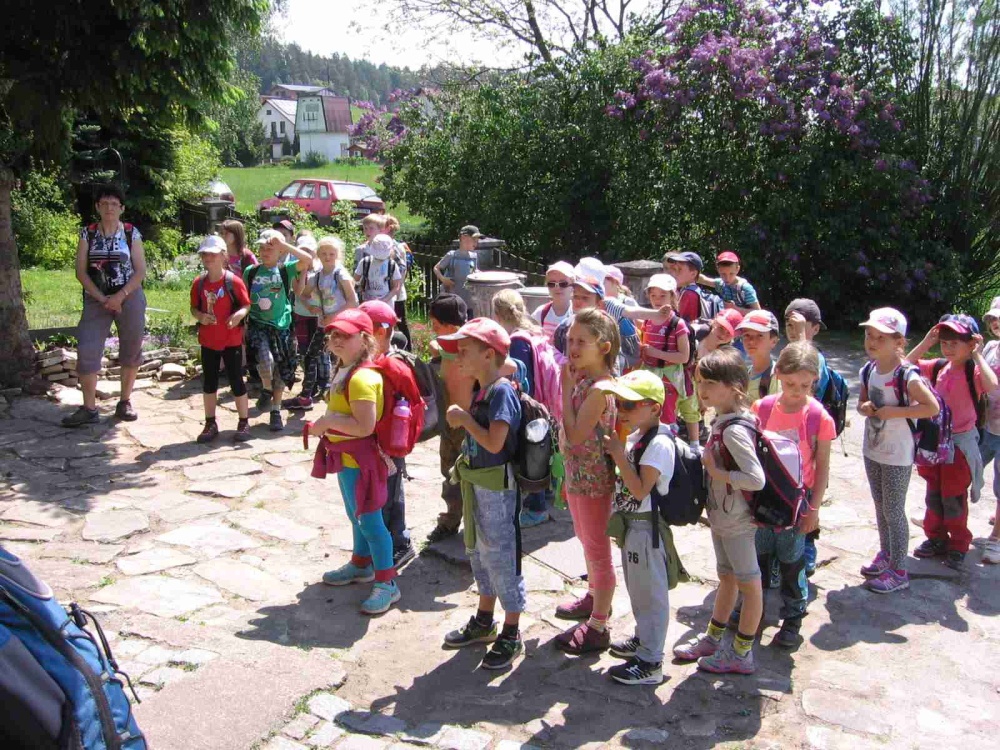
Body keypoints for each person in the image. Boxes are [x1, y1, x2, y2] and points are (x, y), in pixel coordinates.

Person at [438, 318, 525, 670]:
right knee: (479, 552)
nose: (458, 357)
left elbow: (494, 442)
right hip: (478, 484)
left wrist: (464, 420)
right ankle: (485, 619)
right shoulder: (483, 389)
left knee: (501, 555)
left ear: (488, 355)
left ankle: (511, 631)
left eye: (464, 351)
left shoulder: (501, 391)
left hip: (498, 489)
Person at [674, 347, 765, 674]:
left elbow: (756, 479)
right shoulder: (723, 420)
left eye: (710, 383)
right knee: (726, 577)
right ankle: (713, 639)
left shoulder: (735, 429)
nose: (702, 389)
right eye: (700, 382)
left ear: (735, 387)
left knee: (749, 585)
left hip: (738, 522)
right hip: (722, 518)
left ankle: (741, 654)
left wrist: (718, 473)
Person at [310, 308, 400, 615]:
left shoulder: (361, 378)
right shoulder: (345, 369)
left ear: (364, 339)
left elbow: (364, 426)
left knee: (371, 522)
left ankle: (388, 584)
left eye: (345, 336)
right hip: (347, 459)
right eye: (334, 334)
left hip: (361, 462)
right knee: (356, 516)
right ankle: (361, 565)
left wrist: (327, 422)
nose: (336, 340)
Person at [600, 370, 683, 686]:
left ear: (654, 408)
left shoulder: (659, 444)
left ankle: (651, 662)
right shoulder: (639, 436)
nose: (622, 410)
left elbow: (639, 490)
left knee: (651, 594)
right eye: (620, 402)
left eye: (631, 404)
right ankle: (643, 639)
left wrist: (618, 455)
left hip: (647, 529)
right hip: (633, 527)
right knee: (638, 589)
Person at [749, 342, 834, 646]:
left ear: (815, 381)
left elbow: (822, 467)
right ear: (778, 375)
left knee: (791, 560)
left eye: (805, 385)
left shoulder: (819, 417)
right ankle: (753, 611)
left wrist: (814, 509)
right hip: (764, 497)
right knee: (758, 557)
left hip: (796, 502)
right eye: (789, 384)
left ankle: (793, 617)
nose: (797, 391)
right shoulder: (762, 408)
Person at [906, 314, 998, 570]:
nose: (948, 348)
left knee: (954, 496)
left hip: (959, 445)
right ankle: (935, 537)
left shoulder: (972, 372)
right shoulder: (938, 367)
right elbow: (905, 365)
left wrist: (977, 355)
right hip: (935, 441)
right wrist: (927, 342)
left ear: (971, 344)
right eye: (944, 342)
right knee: (933, 492)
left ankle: (958, 544)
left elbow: (992, 385)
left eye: (955, 343)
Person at [857, 308, 940, 591]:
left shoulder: (907, 376)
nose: (872, 341)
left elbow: (931, 407)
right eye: (869, 335)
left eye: (881, 337)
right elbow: (861, 403)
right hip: (873, 449)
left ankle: (899, 570)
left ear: (899, 342)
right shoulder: (868, 370)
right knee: (881, 507)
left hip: (898, 454)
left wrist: (895, 412)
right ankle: (886, 554)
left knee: (893, 510)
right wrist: (866, 408)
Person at [554, 308, 620, 654]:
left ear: (604, 347)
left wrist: (565, 390)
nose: (573, 347)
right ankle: (594, 596)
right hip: (578, 476)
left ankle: (598, 625)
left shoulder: (598, 389)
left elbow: (577, 434)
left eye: (582, 341)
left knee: (597, 549)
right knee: (585, 540)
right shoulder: (584, 380)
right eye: (570, 340)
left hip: (595, 482)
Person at [63, 185, 148, 427]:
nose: (109, 208)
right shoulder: (87, 233)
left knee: (131, 347)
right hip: (96, 298)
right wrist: (103, 299)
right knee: (87, 349)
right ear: (97, 207)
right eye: (104, 203)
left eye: (114, 203)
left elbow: (140, 270)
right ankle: (89, 408)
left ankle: (125, 402)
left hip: (129, 295)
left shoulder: (131, 233)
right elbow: (80, 272)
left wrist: (120, 296)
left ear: (121, 208)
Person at [492, 289, 556, 528]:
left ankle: (536, 508)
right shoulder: (533, 331)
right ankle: (545, 493)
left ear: (498, 314)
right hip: (543, 402)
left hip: (529, 406)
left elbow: (521, 379)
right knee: (540, 452)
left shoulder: (517, 341)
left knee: (531, 457)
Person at [361, 299, 416, 568]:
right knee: (377, 494)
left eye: (362, 331)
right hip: (374, 443)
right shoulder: (374, 362)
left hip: (389, 445)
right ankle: (381, 544)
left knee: (390, 493)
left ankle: (400, 543)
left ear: (380, 332)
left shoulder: (391, 366)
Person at [243, 229, 313, 431]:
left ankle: (275, 410)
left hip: (282, 327)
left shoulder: (286, 269)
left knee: (281, 371)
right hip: (258, 324)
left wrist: (284, 245)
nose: (265, 252)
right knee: (266, 361)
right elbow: (244, 298)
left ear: (280, 252)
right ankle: (266, 390)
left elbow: (307, 259)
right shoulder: (251, 271)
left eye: (270, 249)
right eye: (262, 248)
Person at [784, 298, 830, 575]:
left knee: (810, 496)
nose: (793, 330)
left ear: (815, 328)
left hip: (811, 441)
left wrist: (802, 337)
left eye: (799, 324)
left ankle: (809, 546)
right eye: (789, 324)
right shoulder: (788, 353)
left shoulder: (816, 357)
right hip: (788, 438)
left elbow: (812, 389)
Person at [189, 236, 252, 443]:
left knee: (236, 380)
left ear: (223, 256)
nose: (208, 258)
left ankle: (244, 421)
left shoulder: (234, 281)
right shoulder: (199, 283)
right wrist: (200, 316)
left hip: (231, 340)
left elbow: (246, 305)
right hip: (208, 340)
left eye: (213, 254)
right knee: (209, 382)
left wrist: (238, 316)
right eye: (205, 254)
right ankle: (210, 423)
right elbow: (194, 308)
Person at [284, 237, 358, 410]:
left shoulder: (341, 275)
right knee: (311, 356)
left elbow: (353, 301)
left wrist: (333, 316)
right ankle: (306, 397)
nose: (327, 257)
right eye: (323, 253)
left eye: (331, 254)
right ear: (318, 255)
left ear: (337, 255)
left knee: (346, 358)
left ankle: (347, 396)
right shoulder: (317, 276)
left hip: (343, 324)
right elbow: (303, 295)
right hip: (324, 325)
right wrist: (311, 307)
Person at [426, 294, 473, 544]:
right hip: (448, 424)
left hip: (469, 426)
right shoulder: (445, 348)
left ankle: (477, 525)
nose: (433, 330)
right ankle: (451, 519)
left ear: (452, 327)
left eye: (436, 325)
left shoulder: (471, 349)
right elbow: (434, 346)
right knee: (449, 473)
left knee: (472, 476)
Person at [638, 274, 699, 445]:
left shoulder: (677, 324)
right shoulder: (648, 320)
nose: (657, 300)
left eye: (662, 295)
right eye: (653, 295)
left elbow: (683, 356)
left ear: (672, 296)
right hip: (650, 373)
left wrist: (655, 353)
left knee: (668, 414)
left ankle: (671, 446)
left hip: (670, 377)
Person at [980, 298, 1000, 564]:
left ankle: (996, 538)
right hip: (986, 426)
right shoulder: (991, 348)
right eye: (993, 319)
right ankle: (941, 518)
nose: (996, 323)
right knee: (963, 470)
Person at [697, 251, 761, 315]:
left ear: (737, 269)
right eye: (723, 274)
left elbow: (758, 312)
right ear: (718, 269)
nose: (727, 278)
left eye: (731, 274)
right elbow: (704, 280)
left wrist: (736, 309)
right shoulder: (721, 284)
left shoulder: (745, 288)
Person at [383, 215, 413, 350]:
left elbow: (402, 270)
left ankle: (408, 351)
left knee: (400, 322)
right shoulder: (379, 245)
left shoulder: (397, 247)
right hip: (388, 291)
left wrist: (396, 288)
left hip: (396, 292)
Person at [433, 225, 480, 309]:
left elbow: (473, 271)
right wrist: (443, 279)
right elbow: (436, 268)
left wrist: (479, 274)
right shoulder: (452, 255)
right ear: (463, 238)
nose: (476, 243)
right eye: (474, 240)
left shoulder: (474, 256)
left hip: (468, 299)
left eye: (477, 241)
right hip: (452, 299)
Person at [739, 310, 782, 400]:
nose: (751, 341)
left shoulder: (777, 377)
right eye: (746, 335)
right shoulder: (745, 375)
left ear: (773, 341)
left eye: (759, 335)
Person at [532, 261, 575, 343]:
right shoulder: (540, 313)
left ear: (573, 285)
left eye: (563, 284)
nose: (557, 288)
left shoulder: (577, 314)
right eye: (552, 284)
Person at [355, 233, 403, 306]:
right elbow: (355, 280)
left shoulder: (391, 265)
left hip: (382, 304)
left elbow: (396, 286)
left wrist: (384, 300)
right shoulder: (365, 262)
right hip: (374, 303)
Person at [664, 251, 706, 323]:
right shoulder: (692, 290)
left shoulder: (688, 294)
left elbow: (685, 324)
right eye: (675, 269)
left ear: (693, 274)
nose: (675, 273)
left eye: (679, 269)